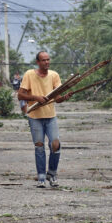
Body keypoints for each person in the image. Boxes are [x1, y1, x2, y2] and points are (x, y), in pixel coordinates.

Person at [18, 51, 72, 188]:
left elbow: (57, 98)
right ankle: (41, 176)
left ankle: (52, 174)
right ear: (38, 62)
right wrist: (36, 98)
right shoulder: (29, 74)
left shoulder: (54, 75)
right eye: (43, 60)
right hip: (35, 116)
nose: (46, 62)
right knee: (39, 146)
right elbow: (20, 95)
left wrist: (64, 97)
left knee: (56, 145)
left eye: (48, 60)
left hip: (50, 116)